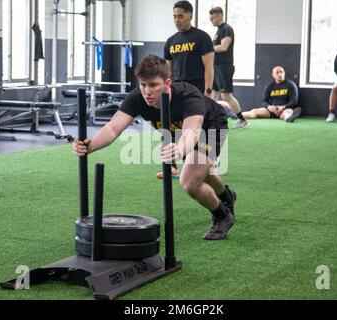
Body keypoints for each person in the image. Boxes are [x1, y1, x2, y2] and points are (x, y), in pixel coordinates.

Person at [72, 54, 236, 241]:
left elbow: (193, 132)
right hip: (180, 133)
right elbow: (112, 128)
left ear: (167, 83)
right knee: (201, 172)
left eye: (153, 85)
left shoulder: (188, 96)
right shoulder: (137, 98)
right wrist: (88, 146)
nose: (147, 91)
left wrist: (179, 151)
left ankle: (223, 216)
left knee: (190, 181)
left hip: (210, 125)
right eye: (143, 85)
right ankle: (227, 196)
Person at [209, 6, 248, 130]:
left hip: (224, 67)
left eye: (213, 17)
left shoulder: (226, 29)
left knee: (226, 96)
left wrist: (208, 48)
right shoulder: (218, 31)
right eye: (210, 18)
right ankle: (210, 120)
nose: (211, 20)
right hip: (215, 67)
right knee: (212, 95)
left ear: (220, 15)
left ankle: (242, 120)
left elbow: (223, 47)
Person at [164, 1, 214, 97]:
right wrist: (166, 89)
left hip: (197, 88)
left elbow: (209, 67)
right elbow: (168, 70)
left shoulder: (202, 37)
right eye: (174, 16)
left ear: (190, 16)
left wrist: (208, 92)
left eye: (180, 16)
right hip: (176, 88)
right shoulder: (170, 41)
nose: (176, 20)